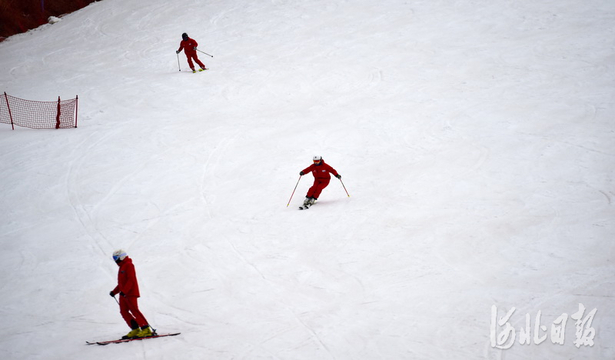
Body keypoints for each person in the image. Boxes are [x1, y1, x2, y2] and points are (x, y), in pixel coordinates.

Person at [109, 250, 154, 339]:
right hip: (123, 294)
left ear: (121, 257)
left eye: (116, 258)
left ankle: (146, 329)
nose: (115, 260)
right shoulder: (121, 267)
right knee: (123, 311)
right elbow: (122, 283)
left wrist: (125, 291)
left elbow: (131, 280)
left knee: (134, 310)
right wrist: (114, 291)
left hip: (130, 293)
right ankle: (135, 329)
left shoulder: (129, 265)